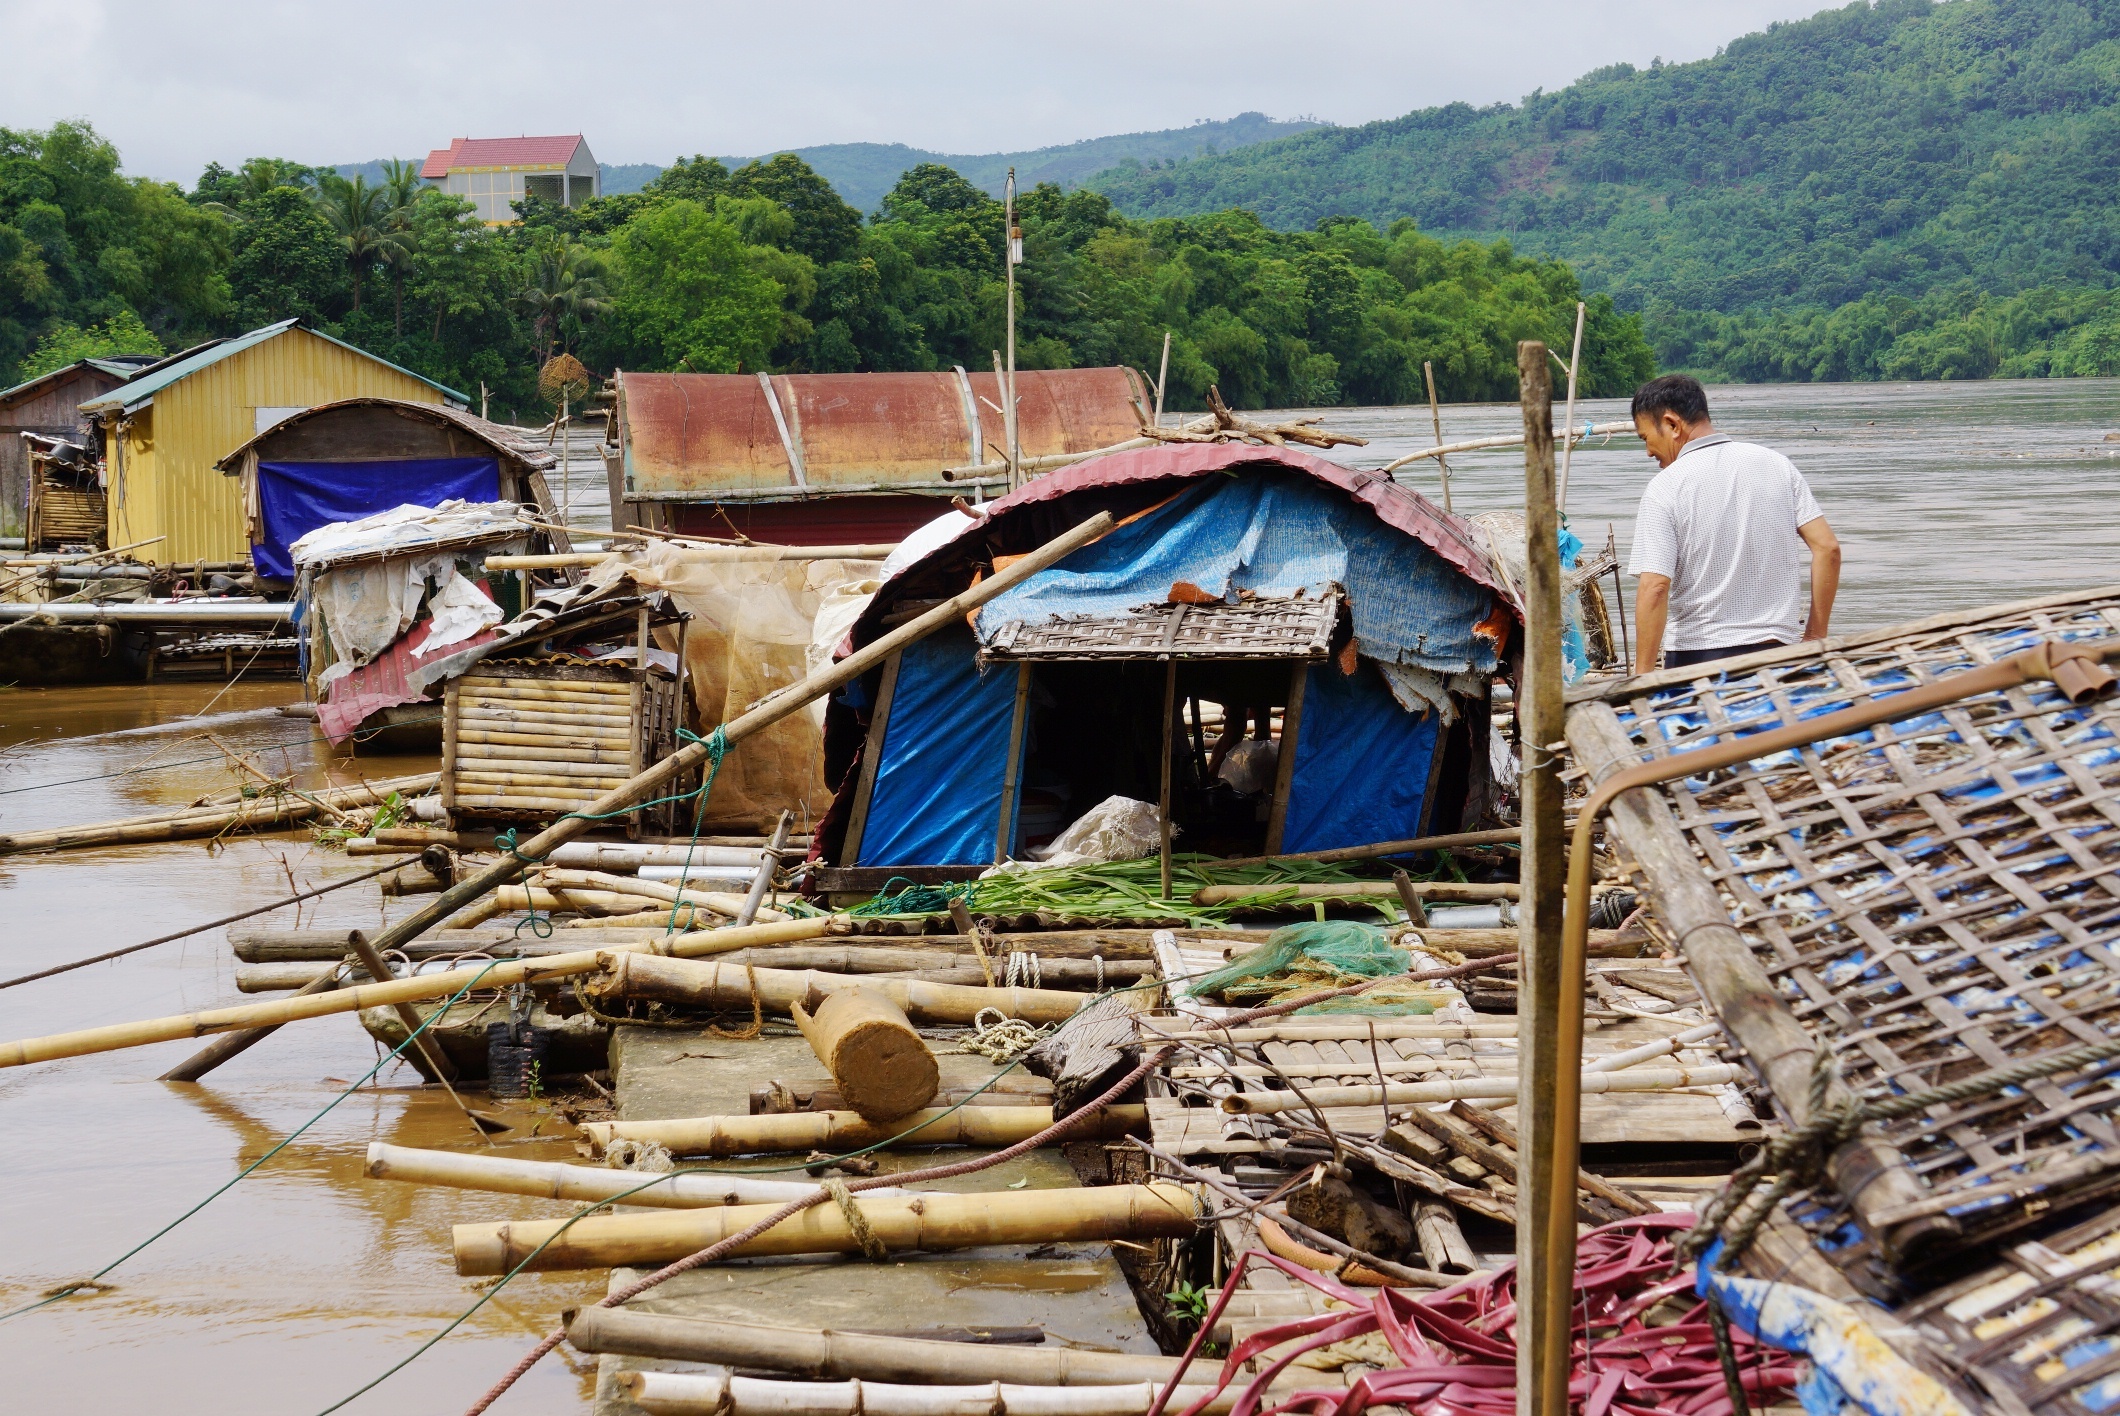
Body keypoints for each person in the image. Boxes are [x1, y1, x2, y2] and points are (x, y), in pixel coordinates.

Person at [1625, 375, 1840, 675]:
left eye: (1646, 438)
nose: (1648, 452)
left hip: (1700, 660)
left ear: (1672, 424)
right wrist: (1815, 635)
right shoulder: (1776, 465)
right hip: (1781, 655)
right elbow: (1827, 548)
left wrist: (1643, 676)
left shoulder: (1665, 487)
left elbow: (1655, 587)